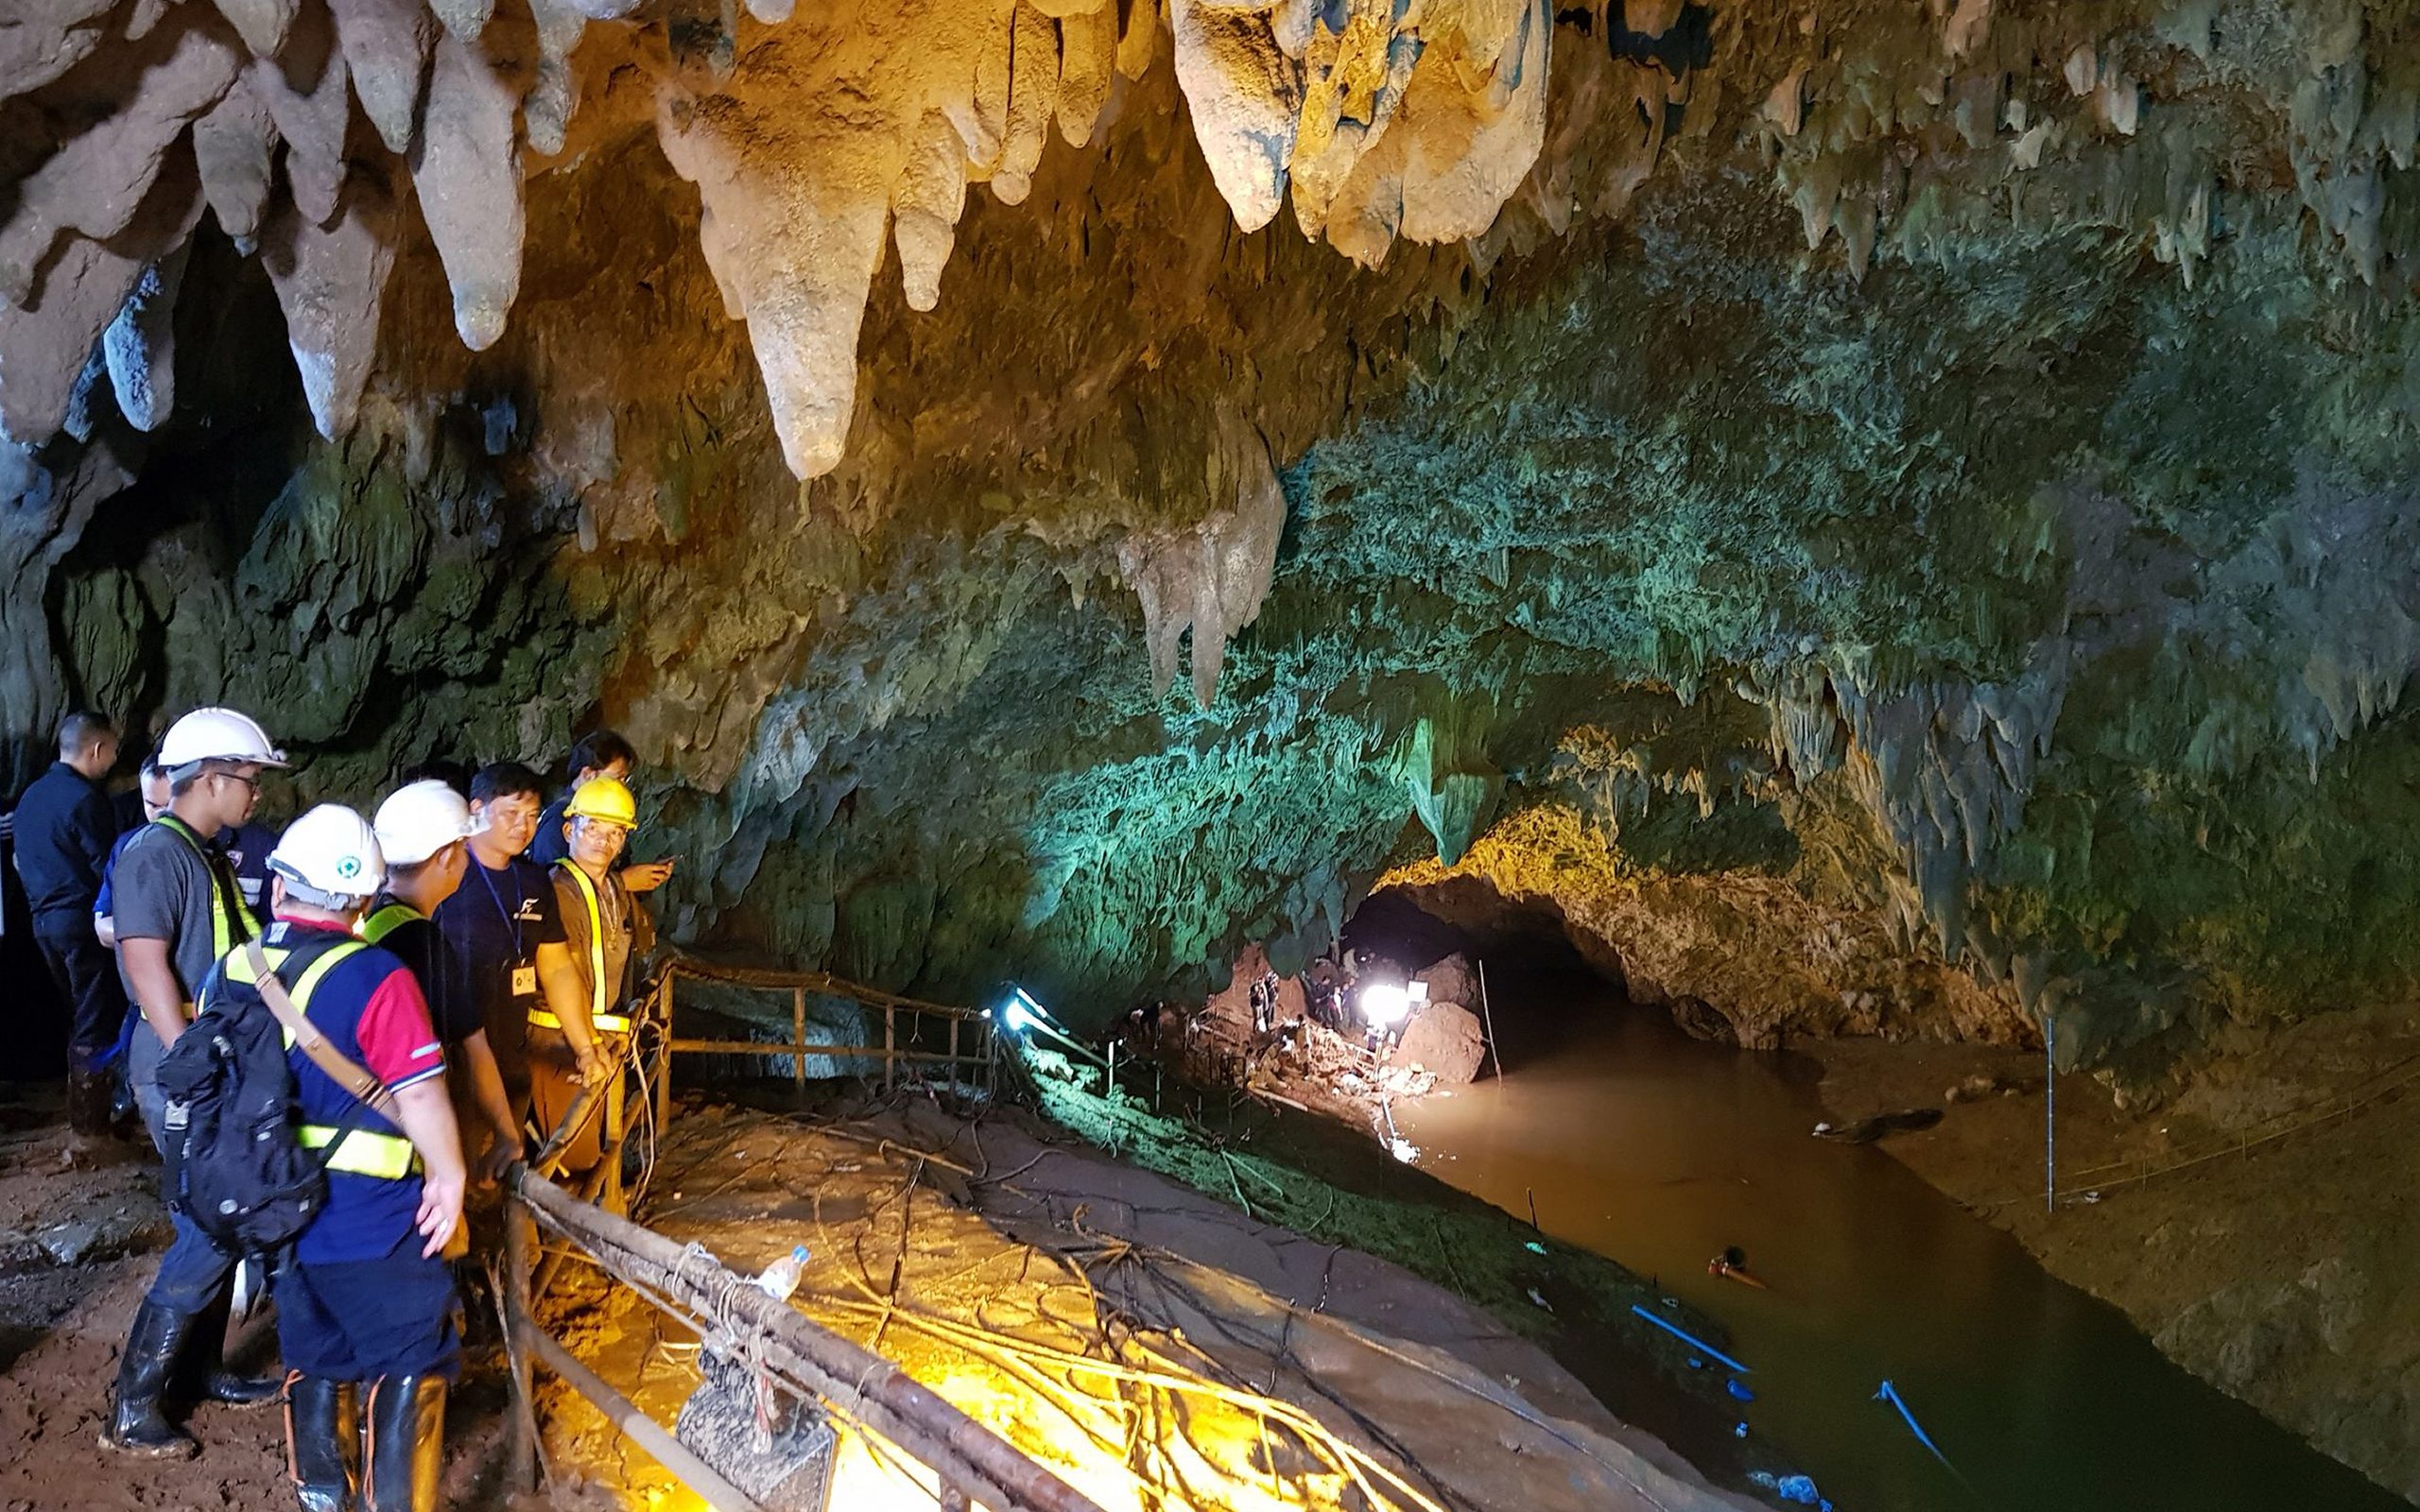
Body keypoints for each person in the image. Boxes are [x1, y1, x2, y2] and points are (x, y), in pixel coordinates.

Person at [213, 805, 466, 1512]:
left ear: (280, 885)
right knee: (411, 1359)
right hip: (372, 1220)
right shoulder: (377, 976)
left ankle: (323, 1500)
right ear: (362, 900)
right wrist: (448, 1178)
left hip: (274, 1215)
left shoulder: (229, 971)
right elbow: (418, 1096)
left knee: (317, 1360)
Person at [103, 708, 287, 1456]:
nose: (256, 796)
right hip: (181, 1064)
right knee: (211, 1227)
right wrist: (192, 1060)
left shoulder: (204, 853)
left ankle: (203, 1369)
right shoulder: (156, 852)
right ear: (210, 778)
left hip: (211, 1058)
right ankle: (135, 1403)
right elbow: (144, 961)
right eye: (250, 780)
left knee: (221, 1220)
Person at [367, 780, 522, 1184]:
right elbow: (474, 1049)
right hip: (410, 1139)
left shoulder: (370, 917)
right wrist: (507, 1135)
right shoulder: (423, 941)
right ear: (447, 856)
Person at [434, 763, 592, 1145]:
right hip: (450, 1058)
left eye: (533, 815)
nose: (524, 826)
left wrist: (586, 1046)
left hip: (511, 1049)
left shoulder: (534, 880)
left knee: (504, 1166)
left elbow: (556, 968)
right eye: (511, 813)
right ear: (476, 809)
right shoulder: (442, 873)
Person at [531, 777, 654, 1173]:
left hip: (594, 1036)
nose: (604, 840)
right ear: (569, 831)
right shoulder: (558, 889)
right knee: (572, 1154)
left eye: (615, 832)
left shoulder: (612, 888)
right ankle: (561, 1231)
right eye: (593, 829)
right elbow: (561, 972)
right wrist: (587, 1045)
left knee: (593, 1142)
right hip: (561, 1039)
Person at [12, 712, 125, 1134]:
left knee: (77, 1015)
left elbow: (21, 861)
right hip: (81, 924)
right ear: (96, 749)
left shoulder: (31, 797)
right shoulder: (84, 800)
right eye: (113, 750)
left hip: (42, 924)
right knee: (95, 1018)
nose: (114, 759)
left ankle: (84, 1115)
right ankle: (90, 1127)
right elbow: (106, 867)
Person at [525, 730, 673, 893]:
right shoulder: (558, 820)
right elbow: (553, 889)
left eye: (625, 779)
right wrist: (623, 882)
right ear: (588, 774)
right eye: (617, 778)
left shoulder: (603, 813)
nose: (621, 787)